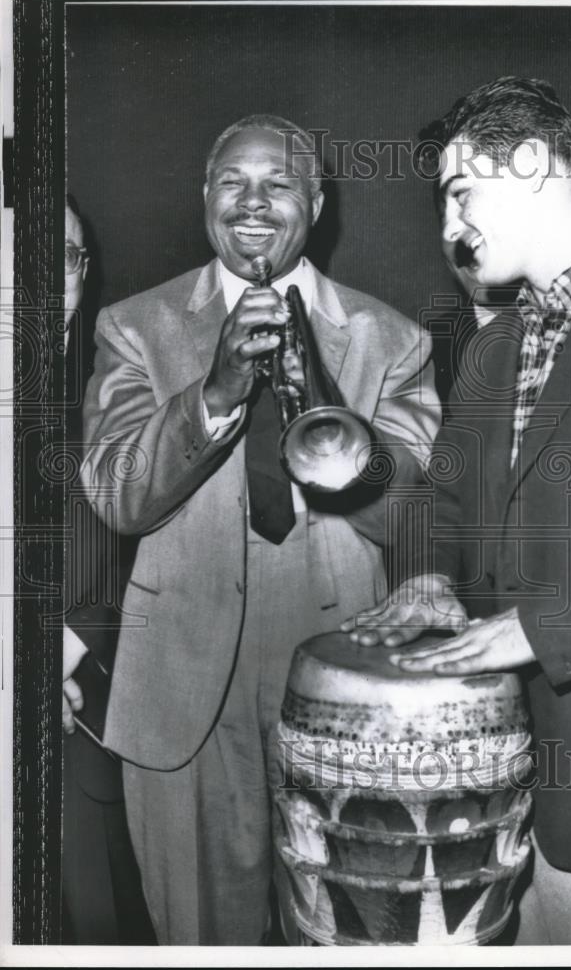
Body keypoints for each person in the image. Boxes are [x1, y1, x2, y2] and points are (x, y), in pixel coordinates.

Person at [78, 115, 441, 945]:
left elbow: (419, 519)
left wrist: (340, 429)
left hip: (343, 679)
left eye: (278, 184)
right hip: (184, 693)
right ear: (205, 198)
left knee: (356, 934)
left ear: (315, 202)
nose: (253, 203)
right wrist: (212, 395)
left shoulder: (393, 339)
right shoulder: (135, 326)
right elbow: (115, 496)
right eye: (232, 183)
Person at [346, 77, 571, 945]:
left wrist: (529, 630)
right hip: (507, 793)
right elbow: (441, 495)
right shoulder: (496, 347)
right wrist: (427, 572)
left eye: (460, 193)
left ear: (533, 162)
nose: (447, 229)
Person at [61, 197, 155, 944]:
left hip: (83, 721)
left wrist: (59, 648)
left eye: (63, 255)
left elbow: (157, 562)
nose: (40, 273)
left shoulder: (116, 390)